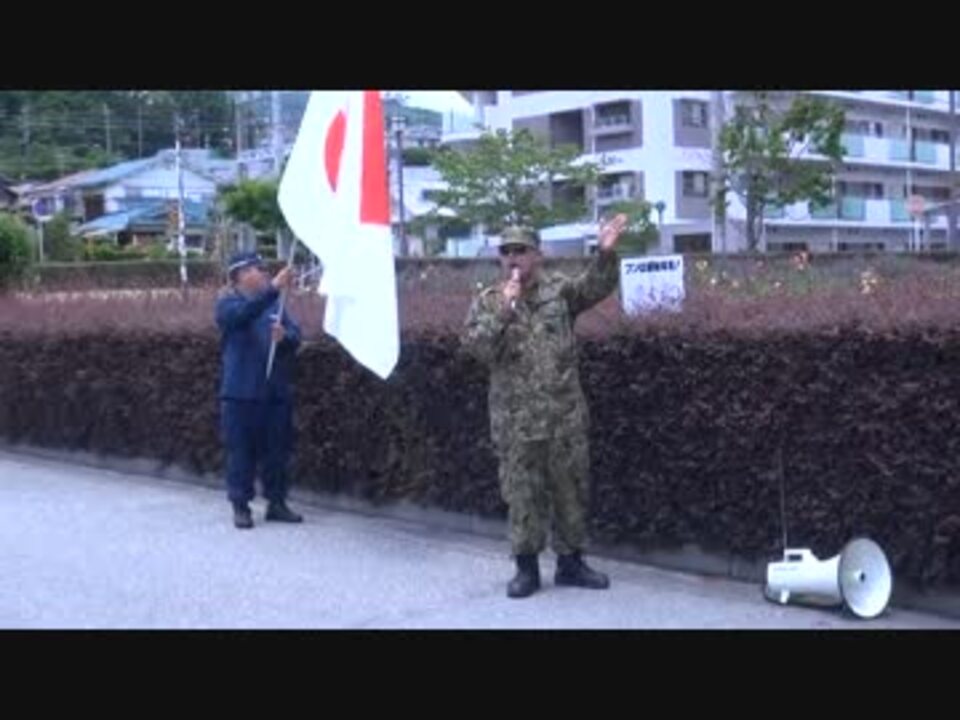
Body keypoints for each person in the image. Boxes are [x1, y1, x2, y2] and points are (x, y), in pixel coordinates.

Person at [462, 216, 627, 598]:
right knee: (522, 496)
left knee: (571, 492)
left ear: (537, 255)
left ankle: (571, 563)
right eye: (506, 251)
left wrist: (605, 252)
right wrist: (504, 311)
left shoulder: (559, 293)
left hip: (562, 417)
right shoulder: (488, 302)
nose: (513, 258)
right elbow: (476, 348)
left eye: (521, 250)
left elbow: (596, 286)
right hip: (516, 422)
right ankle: (526, 569)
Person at [216, 251, 304, 529]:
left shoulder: (275, 304)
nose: (264, 272)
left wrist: (285, 337)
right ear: (240, 275)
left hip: (274, 392)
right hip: (241, 394)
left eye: (264, 268)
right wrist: (274, 288)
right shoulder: (228, 304)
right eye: (257, 268)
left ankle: (276, 503)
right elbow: (243, 316)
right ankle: (240, 506)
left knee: (277, 453)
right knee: (241, 453)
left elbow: (296, 336)